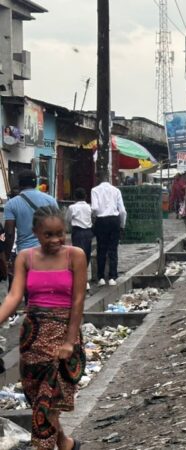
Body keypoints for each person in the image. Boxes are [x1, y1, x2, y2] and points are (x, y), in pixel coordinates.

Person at [0, 206, 86, 450]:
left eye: (61, 233)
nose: (56, 240)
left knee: (47, 402)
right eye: (48, 234)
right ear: (35, 232)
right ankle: (67, 444)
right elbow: (13, 297)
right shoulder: (25, 257)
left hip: (61, 336)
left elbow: (78, 300)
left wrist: (70, 341)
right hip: (31, 337)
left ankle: (44, 447)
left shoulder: (75, 255)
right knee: (37, 398)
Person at [3, 170, 59, 291]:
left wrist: (7, 259)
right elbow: (58, 228)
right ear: (36, 183)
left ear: (19, 184)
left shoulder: (11, 204)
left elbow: (9, 233)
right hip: (48, 252)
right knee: (45, 289)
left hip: (25, 254)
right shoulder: (51, 200)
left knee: (24, 289)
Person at [91, 174, 127, 286]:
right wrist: (122, 225)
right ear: (109, 179)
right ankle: (112, 277)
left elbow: (95, 208)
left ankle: (101, 277)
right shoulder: (116, 190)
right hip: (114, 221)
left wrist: (94, 218)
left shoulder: (95, 190)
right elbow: (122, 211)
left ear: (98, 180)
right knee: (113, 249)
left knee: (101, 249)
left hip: (101, 221)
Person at [66, 188, 93, 291]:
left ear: (75, 197)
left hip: (78, 232)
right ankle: (85, 280)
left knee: (78, 256)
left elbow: (67, 219)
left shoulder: (72, 207)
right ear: (85, 196)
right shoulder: (89, 207)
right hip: (88, 232)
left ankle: (81, 280)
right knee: (86, 255)